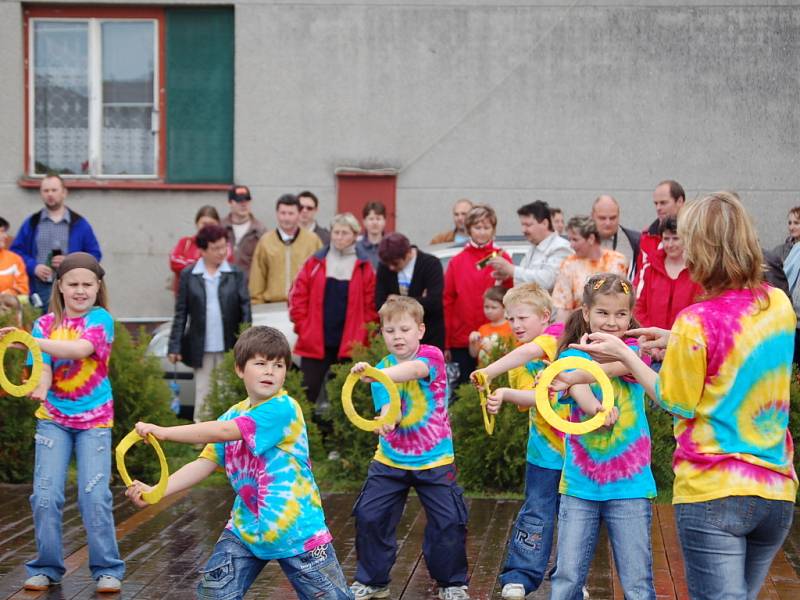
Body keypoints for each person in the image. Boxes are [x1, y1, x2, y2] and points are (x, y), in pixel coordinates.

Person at [572, 192, 798, 600]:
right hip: (775, 491)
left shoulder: (696, 320)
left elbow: (674, 399)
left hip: (714, 494)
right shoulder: (778, 303)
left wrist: (625, 352)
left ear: (703, 249)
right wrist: (674, 340)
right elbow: (741, 342)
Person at [125, 326, 352, 600]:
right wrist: (156, 491)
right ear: (240, 369)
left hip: (298, 532)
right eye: (260, 363)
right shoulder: (234, 413)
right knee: (214, 595)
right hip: (246, 530)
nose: (270, 371)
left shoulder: (283, 408)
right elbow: (204, 463)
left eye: (278, 365)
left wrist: (164, 432)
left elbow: (223, 432)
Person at [10, 252, 124, 593]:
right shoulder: (43, 325)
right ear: (59, 286)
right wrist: (41, 388)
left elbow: (80, 350)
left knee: (95, 495)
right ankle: (46, 566)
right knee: (45, 495)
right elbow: (43, 365)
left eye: (87, 285)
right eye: (72, 284)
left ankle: (107, 568)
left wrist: (26, 340)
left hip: (95, 421)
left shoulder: (101, 319)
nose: (80, 290)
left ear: (97, 287)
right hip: (53, 420)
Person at [542, 273, 656, 600]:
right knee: (566, 576)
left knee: (637, 581)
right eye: (603, 313)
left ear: (630, 315)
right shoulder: (571, 356)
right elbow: (576, 384)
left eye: (620, 314)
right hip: (580, 484)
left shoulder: (636, 353)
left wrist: (583, 379)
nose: (611, 321)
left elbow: (619, 366)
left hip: (630, 484)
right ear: (586, 313)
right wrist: (595, 408)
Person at [349, 297, 470, 600]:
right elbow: (393, 411)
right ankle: (373, 581)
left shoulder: (431, 356)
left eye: (404, 329)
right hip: (390, 460)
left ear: (420, 330)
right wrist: (385, 422)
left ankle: (452, 583)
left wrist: (375, 375)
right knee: (369, 515)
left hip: (435, 460)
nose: (397, 336)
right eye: (390, 331)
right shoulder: (381, 369)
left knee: (449, 522)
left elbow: (415, 371)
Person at [470, 283, 567, 600]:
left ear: (545, 316)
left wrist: (489, 372)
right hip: (542, 454)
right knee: (537, 513)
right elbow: (534, 399)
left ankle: (570, 577)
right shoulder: (519, 362)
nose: (516, 325)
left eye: (522, 317)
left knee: (575, 518)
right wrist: (505, 395)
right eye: (510, 319)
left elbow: (530, 352)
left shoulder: (558, 336)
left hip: (578, 455)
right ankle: (521, 576)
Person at [289, 213, 377, 405]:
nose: (339, 237)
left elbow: (372, 306)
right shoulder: (315, 262)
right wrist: (303, 327)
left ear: (355, 235)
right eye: (336, 232)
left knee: (346, 398)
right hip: (316, 340)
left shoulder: (364, 267)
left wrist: (363, 336)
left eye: (344, 233)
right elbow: (297, 297)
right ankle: (302, 433)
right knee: (306, 393)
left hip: (350, 344)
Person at [168, 224, 251, 422]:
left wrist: (246, 341)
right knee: (203, 389)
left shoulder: (235, 273)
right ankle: (202, 436)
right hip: (201, 343)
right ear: (203, 250)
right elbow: (181, 313)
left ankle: (228, 434)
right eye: (216, 248)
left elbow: (245, 310)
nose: (222, 252)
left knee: (226, 390)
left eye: (224, 247)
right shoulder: (190, 275)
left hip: (229, 343)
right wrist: (174, 345)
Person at [443, 204, 512, 385]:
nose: (482, 232)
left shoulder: (502, 259)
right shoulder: (457, 261)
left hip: (497, 336)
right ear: (469, 229)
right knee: (464, 390)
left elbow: (511, 297)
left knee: (495, 387)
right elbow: (447, 301)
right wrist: (447, 342)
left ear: (493, 229)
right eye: (477, 227)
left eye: (486, 227)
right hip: (462, 339)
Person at [11, 174, 101, 307]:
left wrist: (70, 262)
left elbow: (95, 254)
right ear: (41, 193)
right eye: (46, 191)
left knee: (70, 326)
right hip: (39, 288)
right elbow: (16, 253)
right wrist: (33, 267)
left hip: (72, 288)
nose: (50, 194)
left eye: (54, 190)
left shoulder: (79, 224)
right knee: (42, 325)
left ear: (64, 193)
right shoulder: (32, 223)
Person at [375, 232, 445, 349]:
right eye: (388, 264)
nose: (391, 268)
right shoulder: (384, 267)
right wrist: (420, 299)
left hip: (429, 336)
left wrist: (397, 300)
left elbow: (434, 302)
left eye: (395, 263)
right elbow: (379, 303)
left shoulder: (431, 264)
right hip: (397, 340)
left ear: (408, 253)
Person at [633, 217, 702, 334]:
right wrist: (651, 335)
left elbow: (700, 311)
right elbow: (637, 306)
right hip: (650, 343)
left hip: (684, 341)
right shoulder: (648, 268)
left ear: (686, 239)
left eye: (675, 238)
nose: (670, 244)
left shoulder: (699, 272)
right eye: (666, 238)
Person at [249, 194, 322, 304]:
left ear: (298, 214)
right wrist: (256, 305)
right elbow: (257, 280)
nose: (286, 218)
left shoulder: (313, 241)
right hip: (272, 306)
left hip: (304, 305)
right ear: (277, 214)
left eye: (291, 213)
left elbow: (320, 275)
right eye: (283, 213)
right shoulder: (265, 241)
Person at [552, 216, 627, 322]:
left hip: (613, 324)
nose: (571, 245)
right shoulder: (568, 265)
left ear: (591, 238)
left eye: (575, 239)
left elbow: (626, 298)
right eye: (570, 239)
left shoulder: (618, 261)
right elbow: (564, 309)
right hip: (580, 328)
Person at [488, 201, 572, 291]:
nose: (523, 230)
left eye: (528, 225)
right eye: (522, 225)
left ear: (545, 223)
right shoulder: (534, 249)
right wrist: (509, 275)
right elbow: (527, 280)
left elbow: (547, 281)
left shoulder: (561, 248)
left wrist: (512, 270)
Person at [168, 205, 233, 295]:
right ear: (197, 224)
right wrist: (204, 263)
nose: (207, 228)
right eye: (204, 224)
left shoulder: (225, 246)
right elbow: (174, 262)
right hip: (187, 297)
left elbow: (224, 264)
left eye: (211, 224)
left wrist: (191, 264)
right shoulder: (185, 242)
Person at [636, 180, 685, 282]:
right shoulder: (646, 237)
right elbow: (639, 277)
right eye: (656, 203)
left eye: (663, 203)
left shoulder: (697, 236)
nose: (658, 208)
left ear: (680, 201)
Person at [591, 194, 641, 280]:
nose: (608, 223)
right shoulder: (578, 241)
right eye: (602, 218)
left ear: (619, 216)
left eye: (613, 218)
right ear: (592, 216)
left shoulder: (635, 241)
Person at [221, 184, 266, 278]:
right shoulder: (220, 229)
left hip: (248, 288)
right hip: (224, 286)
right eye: (239, 200)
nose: (244, 204)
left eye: (247, 200)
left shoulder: (260, 231)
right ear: (230, 203)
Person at [467, 286, 514, 366]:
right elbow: (474, 354)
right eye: (486, 307)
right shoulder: (482, 329)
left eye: (493, 307)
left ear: (505, 308)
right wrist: (472, 343)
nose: (489, 311)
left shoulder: (511, 327)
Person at [0, 217, 29, 296]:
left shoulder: (14, 259)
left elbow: (23, 288)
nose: (6, 236)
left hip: (7, 306)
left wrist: (4, 296)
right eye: (2, 231)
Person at [356, 201, 387, 270]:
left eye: (378, 219)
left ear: (384, 221)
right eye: (371, 219)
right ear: (364, 222)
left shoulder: (391, 246)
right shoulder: (356, 246)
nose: (375, 223)